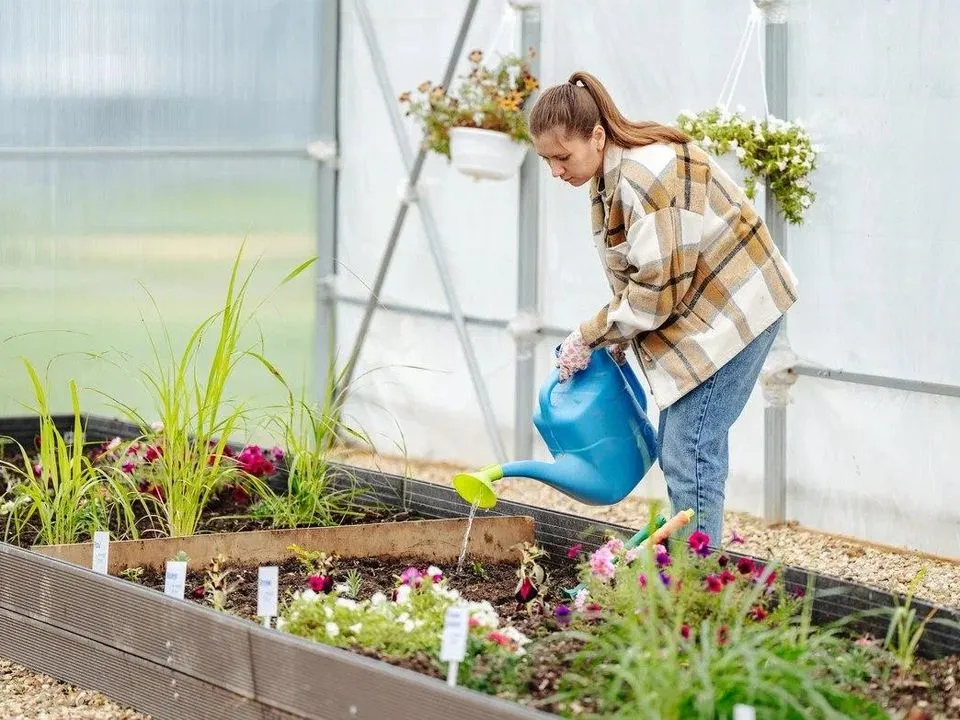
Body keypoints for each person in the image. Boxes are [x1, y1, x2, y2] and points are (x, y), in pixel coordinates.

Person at [528, 71, 798, 545]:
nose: (555, 170)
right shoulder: (606, 178)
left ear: (597, 137)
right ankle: (688, 563)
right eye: (546, 159)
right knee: (680, 444)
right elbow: (641, 272)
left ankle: (696, 575)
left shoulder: (644, 178)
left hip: (738, 308)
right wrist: (616, 336)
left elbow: (655, 293)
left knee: (690, 448)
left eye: (562, 156)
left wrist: (590, 334)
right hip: (705, 311)